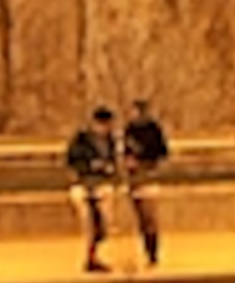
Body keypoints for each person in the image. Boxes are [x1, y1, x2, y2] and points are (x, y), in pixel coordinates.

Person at [66, 105, 118, 271]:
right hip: (83, 187)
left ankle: (94, 256)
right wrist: (90, 166)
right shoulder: (81, 140)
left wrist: (109, 169)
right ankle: (90, 258)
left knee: (103, 225)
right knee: (89, 224)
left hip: (101, 186)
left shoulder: (110, 141)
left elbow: (113, 162)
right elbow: (72, 161)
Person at [122, 98, 169, 264]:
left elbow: (162, 152)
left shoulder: (153, 129)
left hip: (148, 174)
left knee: (150, 217)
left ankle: (152, 251)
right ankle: (148, 249)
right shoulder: (130, 129)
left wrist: (147, 161)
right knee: (142, 218)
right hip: (135, 176)